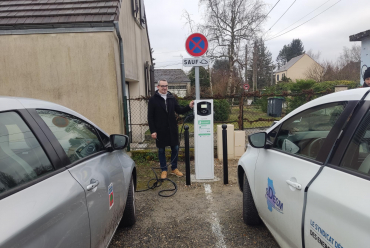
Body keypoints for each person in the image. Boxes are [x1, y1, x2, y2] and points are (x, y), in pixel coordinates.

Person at [148, 79, 194, 179]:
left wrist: (189, 107)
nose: (164, 88)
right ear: (158, 87)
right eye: (162, 86)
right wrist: (153, 131)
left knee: (175, 148)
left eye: (166, 86)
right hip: (160, 129)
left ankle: (174, 168)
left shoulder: (171, 98)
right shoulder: (153, 100)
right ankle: (164, 169)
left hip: (172, 129)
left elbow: (179, 110)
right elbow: (150, 117)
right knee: (161, 150)